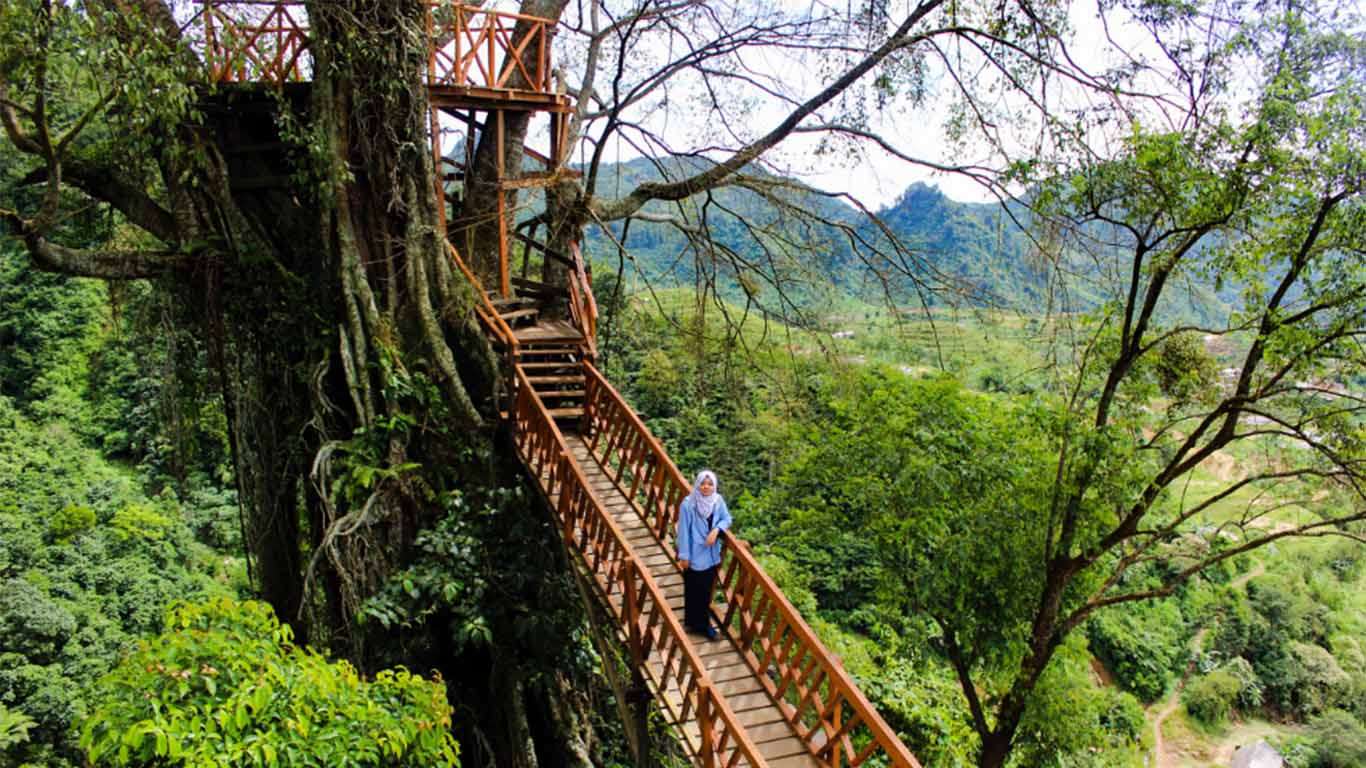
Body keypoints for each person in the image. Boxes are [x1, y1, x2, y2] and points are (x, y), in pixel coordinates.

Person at [676, 469, 731, 640]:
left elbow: (727, 518)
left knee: (705, 591)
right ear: (698, 484)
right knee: (693, 589)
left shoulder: (717, 501)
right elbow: (683, 531)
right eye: (703, 483)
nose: (706, 487)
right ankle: (698, 624)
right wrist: (684, 556)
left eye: (710, 484)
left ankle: (700, 624)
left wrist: (716, 529)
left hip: (710, 554)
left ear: (714, 486)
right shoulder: (688, 504)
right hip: (693, 554)